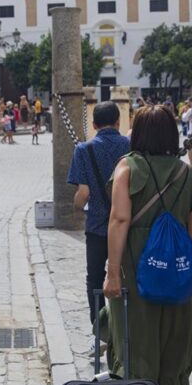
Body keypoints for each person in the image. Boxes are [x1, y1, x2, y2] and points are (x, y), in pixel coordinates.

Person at [102, 104, 192, 385]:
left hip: (134, 277)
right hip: (177, 279)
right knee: (169, 355)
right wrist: (191, 274)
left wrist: (112, 272)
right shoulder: (186, 173)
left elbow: (118, 220)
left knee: (134, 349)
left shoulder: (128, 168)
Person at [68, 102, 131, 347]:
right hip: (126, 226)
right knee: (126, 276)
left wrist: (77, 206)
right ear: (118, 122)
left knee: (94, 279)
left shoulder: (83, 150)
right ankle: (126, 327)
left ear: (94, 125)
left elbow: (82, 194)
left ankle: (100, 332)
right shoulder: (130, 147)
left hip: (96, 228)